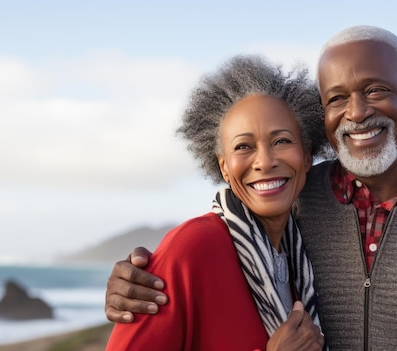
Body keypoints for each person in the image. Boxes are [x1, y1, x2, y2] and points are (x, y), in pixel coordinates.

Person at [105, 26, 397, 349]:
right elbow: (205, 254)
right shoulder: (293, 200)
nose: (356, 112)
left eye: (376, 89)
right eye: (336, 98)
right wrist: (142, 283)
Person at [105, 55, 327, 350]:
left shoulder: (307, 253)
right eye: (243, 146)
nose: (264, 161)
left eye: (282, 141)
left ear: (307, 154)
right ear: (224, 167)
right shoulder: (191, 248)